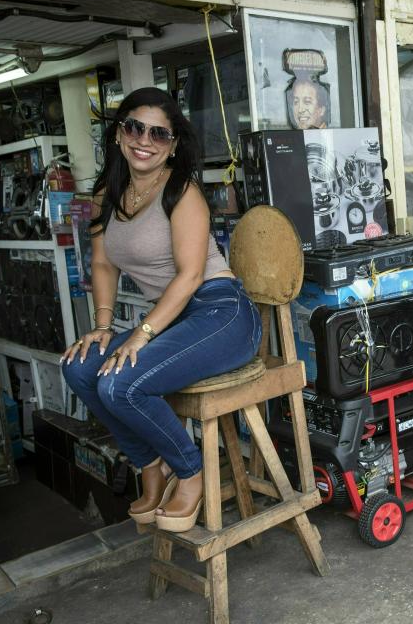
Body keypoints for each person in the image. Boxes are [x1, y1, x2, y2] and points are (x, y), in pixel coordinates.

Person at [61, 87, 262, 532]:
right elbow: (102, 262)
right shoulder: (107, 194)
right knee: (79, 367)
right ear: (118, 133)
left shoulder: (181, 191)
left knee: (119, 385)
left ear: (172, 143)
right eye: (135, 127)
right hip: (177, 319)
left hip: (221, 314)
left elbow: (190, 276)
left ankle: (190, 470)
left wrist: (140, 334)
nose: (144, 140)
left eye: (159, 133)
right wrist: (102, 325)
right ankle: (151, 465)